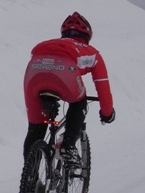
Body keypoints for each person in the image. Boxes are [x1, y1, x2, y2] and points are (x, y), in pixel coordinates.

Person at [23, 11, 115, 168]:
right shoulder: (92, 53)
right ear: (87, 36)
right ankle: (68, 145)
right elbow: (102, 86)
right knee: (80, 101)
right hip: (65, 72)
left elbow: (45, 64)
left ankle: (30, 179)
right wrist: (107, 114)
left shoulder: (46, 43)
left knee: (35, 129)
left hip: (34, 72)